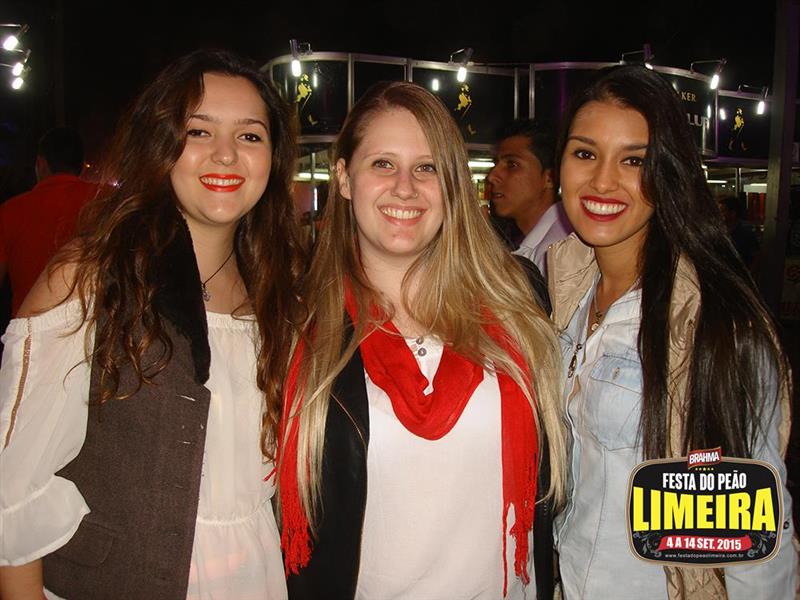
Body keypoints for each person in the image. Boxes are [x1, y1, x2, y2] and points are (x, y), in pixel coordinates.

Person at [0, 49, 303, 599]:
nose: (226, 154)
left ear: (274, 158)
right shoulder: (91, 278)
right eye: (198, 131)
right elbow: (11, 489)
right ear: (160, 143)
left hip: (252, 577)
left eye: (250, 136)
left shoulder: (281, 293)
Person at [276, 81, 566, 600]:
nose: (405, 187)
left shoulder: (517, 300)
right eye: (383, 164)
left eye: (427, 167)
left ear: (451, 183)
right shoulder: (299, 327)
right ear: (344, 178)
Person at [549, 65, 796, 599]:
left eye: (634, 160)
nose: (603, 182)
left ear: (669, 172)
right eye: (585, 153)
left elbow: (755, 548)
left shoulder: (712, 326)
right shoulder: (563, 298)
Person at [0, 127, 100, 316]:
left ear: (41, 163)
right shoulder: (106, 201)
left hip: (30, 327)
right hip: (95, 325)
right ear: (81, 165)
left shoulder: (10, 211)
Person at [488, 119, 572, 279]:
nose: (492, 176)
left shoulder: (559, 251)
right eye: (496, 163)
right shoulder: (529, 241)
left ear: (550, 178)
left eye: (512, 165)